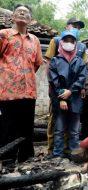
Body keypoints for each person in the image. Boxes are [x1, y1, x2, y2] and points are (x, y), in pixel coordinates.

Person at [0, 4, 43, 163]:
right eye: (19, 11)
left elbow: (37, 63)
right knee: (7, 127)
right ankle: (7, 159)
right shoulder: (4, 35)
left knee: (26, 127)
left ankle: (26, 159)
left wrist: (25, 75)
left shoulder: (35, 40)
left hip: (28, 91)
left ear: (30, 20)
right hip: (7, 91)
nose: (23, 13)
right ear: (13, 17)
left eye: (26, 12)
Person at [45, 18, 86, 154]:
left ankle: (74, 152)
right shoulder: (55, 61)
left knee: (74, 130)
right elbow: (53, 80)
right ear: (61, 42)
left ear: (75, 44)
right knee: (59, 128)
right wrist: (62, 97)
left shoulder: (79, 61)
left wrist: (71, 91)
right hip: (59, 98)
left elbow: (81, 78)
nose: (69, 43)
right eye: (66, 40)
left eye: (72, 41)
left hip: (75, 98)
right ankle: (57, 153)